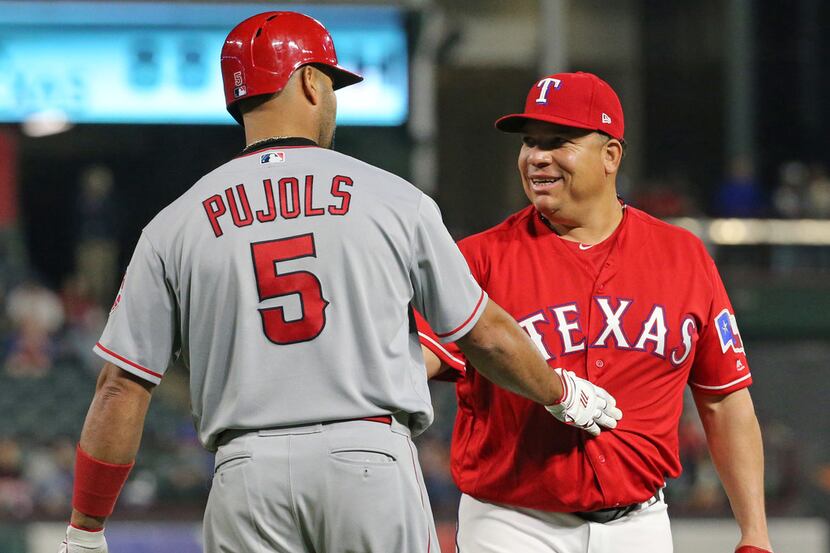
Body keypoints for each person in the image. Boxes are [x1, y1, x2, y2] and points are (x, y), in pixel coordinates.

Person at [58, 15, 621, 553]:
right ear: (307, 82)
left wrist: (87, 526)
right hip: (369, 460)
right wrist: (562, 393)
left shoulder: (175, 224)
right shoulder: (393, 199)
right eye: (329, 84)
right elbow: (485, 336)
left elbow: (119, 387)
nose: (331, 99)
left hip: (245, 473)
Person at [417, 71, 773, 553]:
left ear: (611, 156)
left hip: (640, 525)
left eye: (558, 141)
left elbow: (725, 399)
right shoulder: (480, 258)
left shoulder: (682, 257)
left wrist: (755, 532)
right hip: (513, 524)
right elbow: (413, 361)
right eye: (529, 143)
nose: (537, 157)